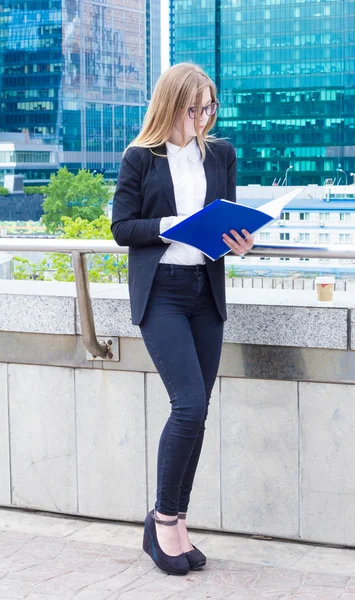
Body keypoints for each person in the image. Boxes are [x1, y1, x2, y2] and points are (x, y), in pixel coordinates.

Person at [111, 62, 254, 576]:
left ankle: (176, 521)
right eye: (193, 108)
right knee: (188, 407)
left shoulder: (221, 154)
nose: (202, 117)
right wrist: (175, 226)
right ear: (172, 106)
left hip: (205, 292)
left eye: (208, 107)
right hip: (164, 295)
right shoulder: (140, 158)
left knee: (199, 413)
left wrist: (240, 241)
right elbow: (122, 227)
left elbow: (227, 221)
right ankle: (162, 519)